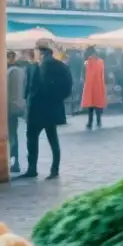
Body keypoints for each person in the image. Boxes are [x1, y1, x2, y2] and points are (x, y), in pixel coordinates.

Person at [20, 42, 72, 180]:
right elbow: (67, 87)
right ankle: (53, 169)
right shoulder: (58, 66)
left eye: (36, 50)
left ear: (41, 52)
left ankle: (33, 169)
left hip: (38, 108)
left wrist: (28, 101)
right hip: (47, 109)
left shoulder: (39, 66)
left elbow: (28, 89)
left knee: (34, 139)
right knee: (51, 139)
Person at [7, 50, 26, 174]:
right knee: (13, 134)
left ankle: (13, 161)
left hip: (8, 107)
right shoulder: (22, 71)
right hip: (18, 105)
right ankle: (16, 162)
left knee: (11, 135)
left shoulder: (9, 72)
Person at [81, 46, 107, 129]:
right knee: (93, 105)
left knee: (94, 105)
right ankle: (94, 122)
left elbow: (83, 75)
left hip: (94, 86)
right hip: (95, 86)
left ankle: (94, 122)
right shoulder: (99, 62)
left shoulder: (87, 63)